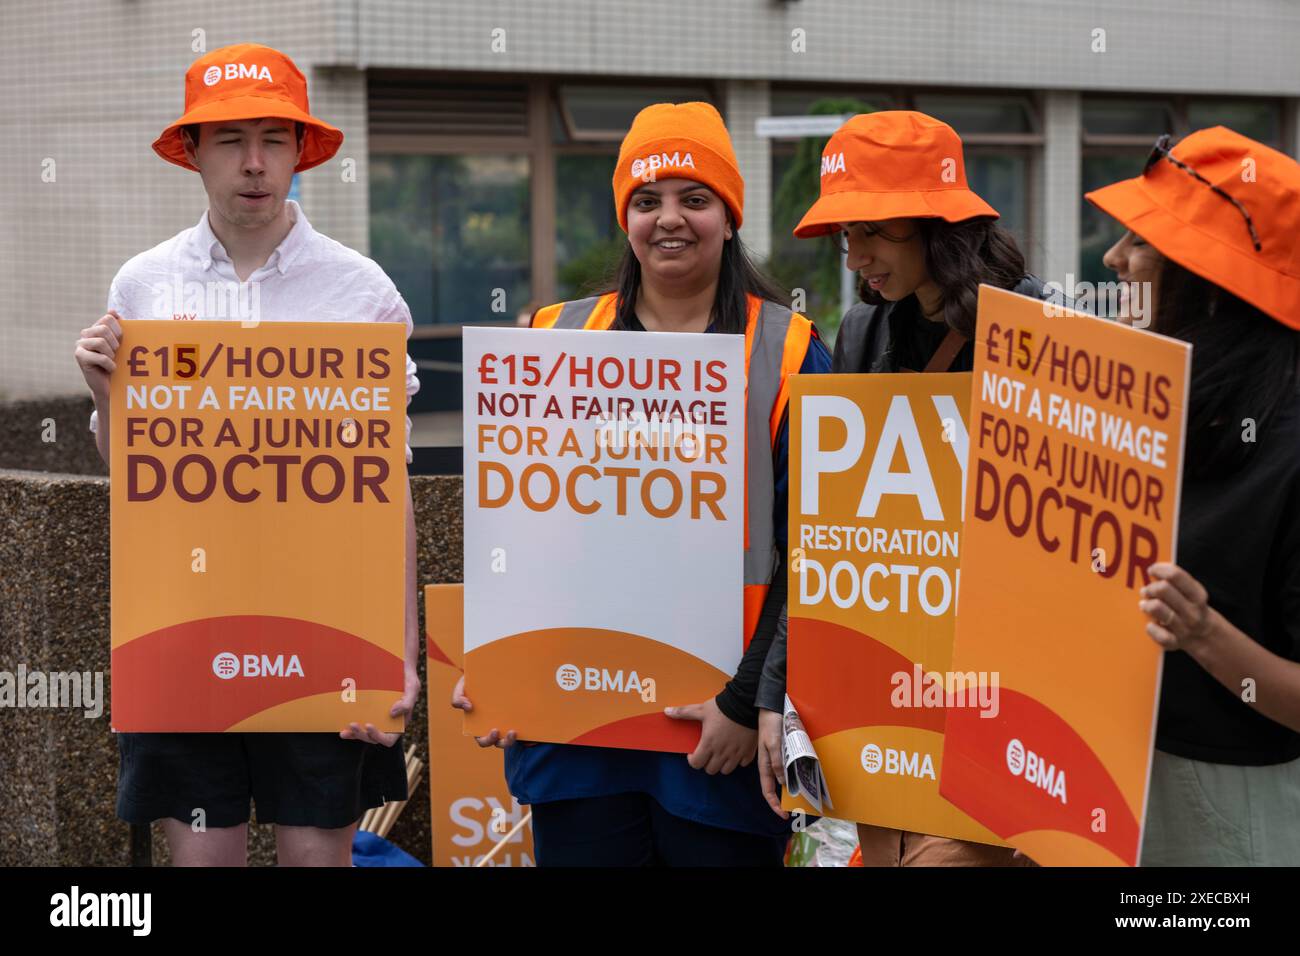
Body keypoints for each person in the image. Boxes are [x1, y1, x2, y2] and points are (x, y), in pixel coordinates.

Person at [452, 101, 832, 866]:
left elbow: (813, 552)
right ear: (625, 214)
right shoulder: (552, 336)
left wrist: (745, 700)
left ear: (729, 215)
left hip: (711, 739)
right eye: (647, 200)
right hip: (576, 734)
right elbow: (518, 530)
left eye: (695, 199)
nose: (670, 220)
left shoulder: (791, 351)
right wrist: (500, 666)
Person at [73, 43, 421, 866]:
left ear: (303, 150)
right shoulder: (144, 286)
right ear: (192, 152)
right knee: (204, 860)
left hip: (327, 634)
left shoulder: (362, 292)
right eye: (230, 139)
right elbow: (141, 486)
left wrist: (398, 659)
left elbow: (387, 488)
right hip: (184, 634)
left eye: (275, 137)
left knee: (315, 859)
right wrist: (102, 397)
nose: (256, 164)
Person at [755, 110, 1067, 866]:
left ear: (938, 226)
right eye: (844, 236)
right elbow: (830, 534)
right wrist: (777, 692)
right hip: (887, 683)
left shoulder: (1039, 331)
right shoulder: (863, 331)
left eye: (873, 232)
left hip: (1001, 697)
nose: (854, 255)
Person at [1085, 126, 1300, 865]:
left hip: (1231, 803)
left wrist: (1203, 631)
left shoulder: (1289, 447)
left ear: (1209, 283)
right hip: (1109, 773)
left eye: (1139, 241)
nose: (1112, 260)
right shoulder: (1142, 405)